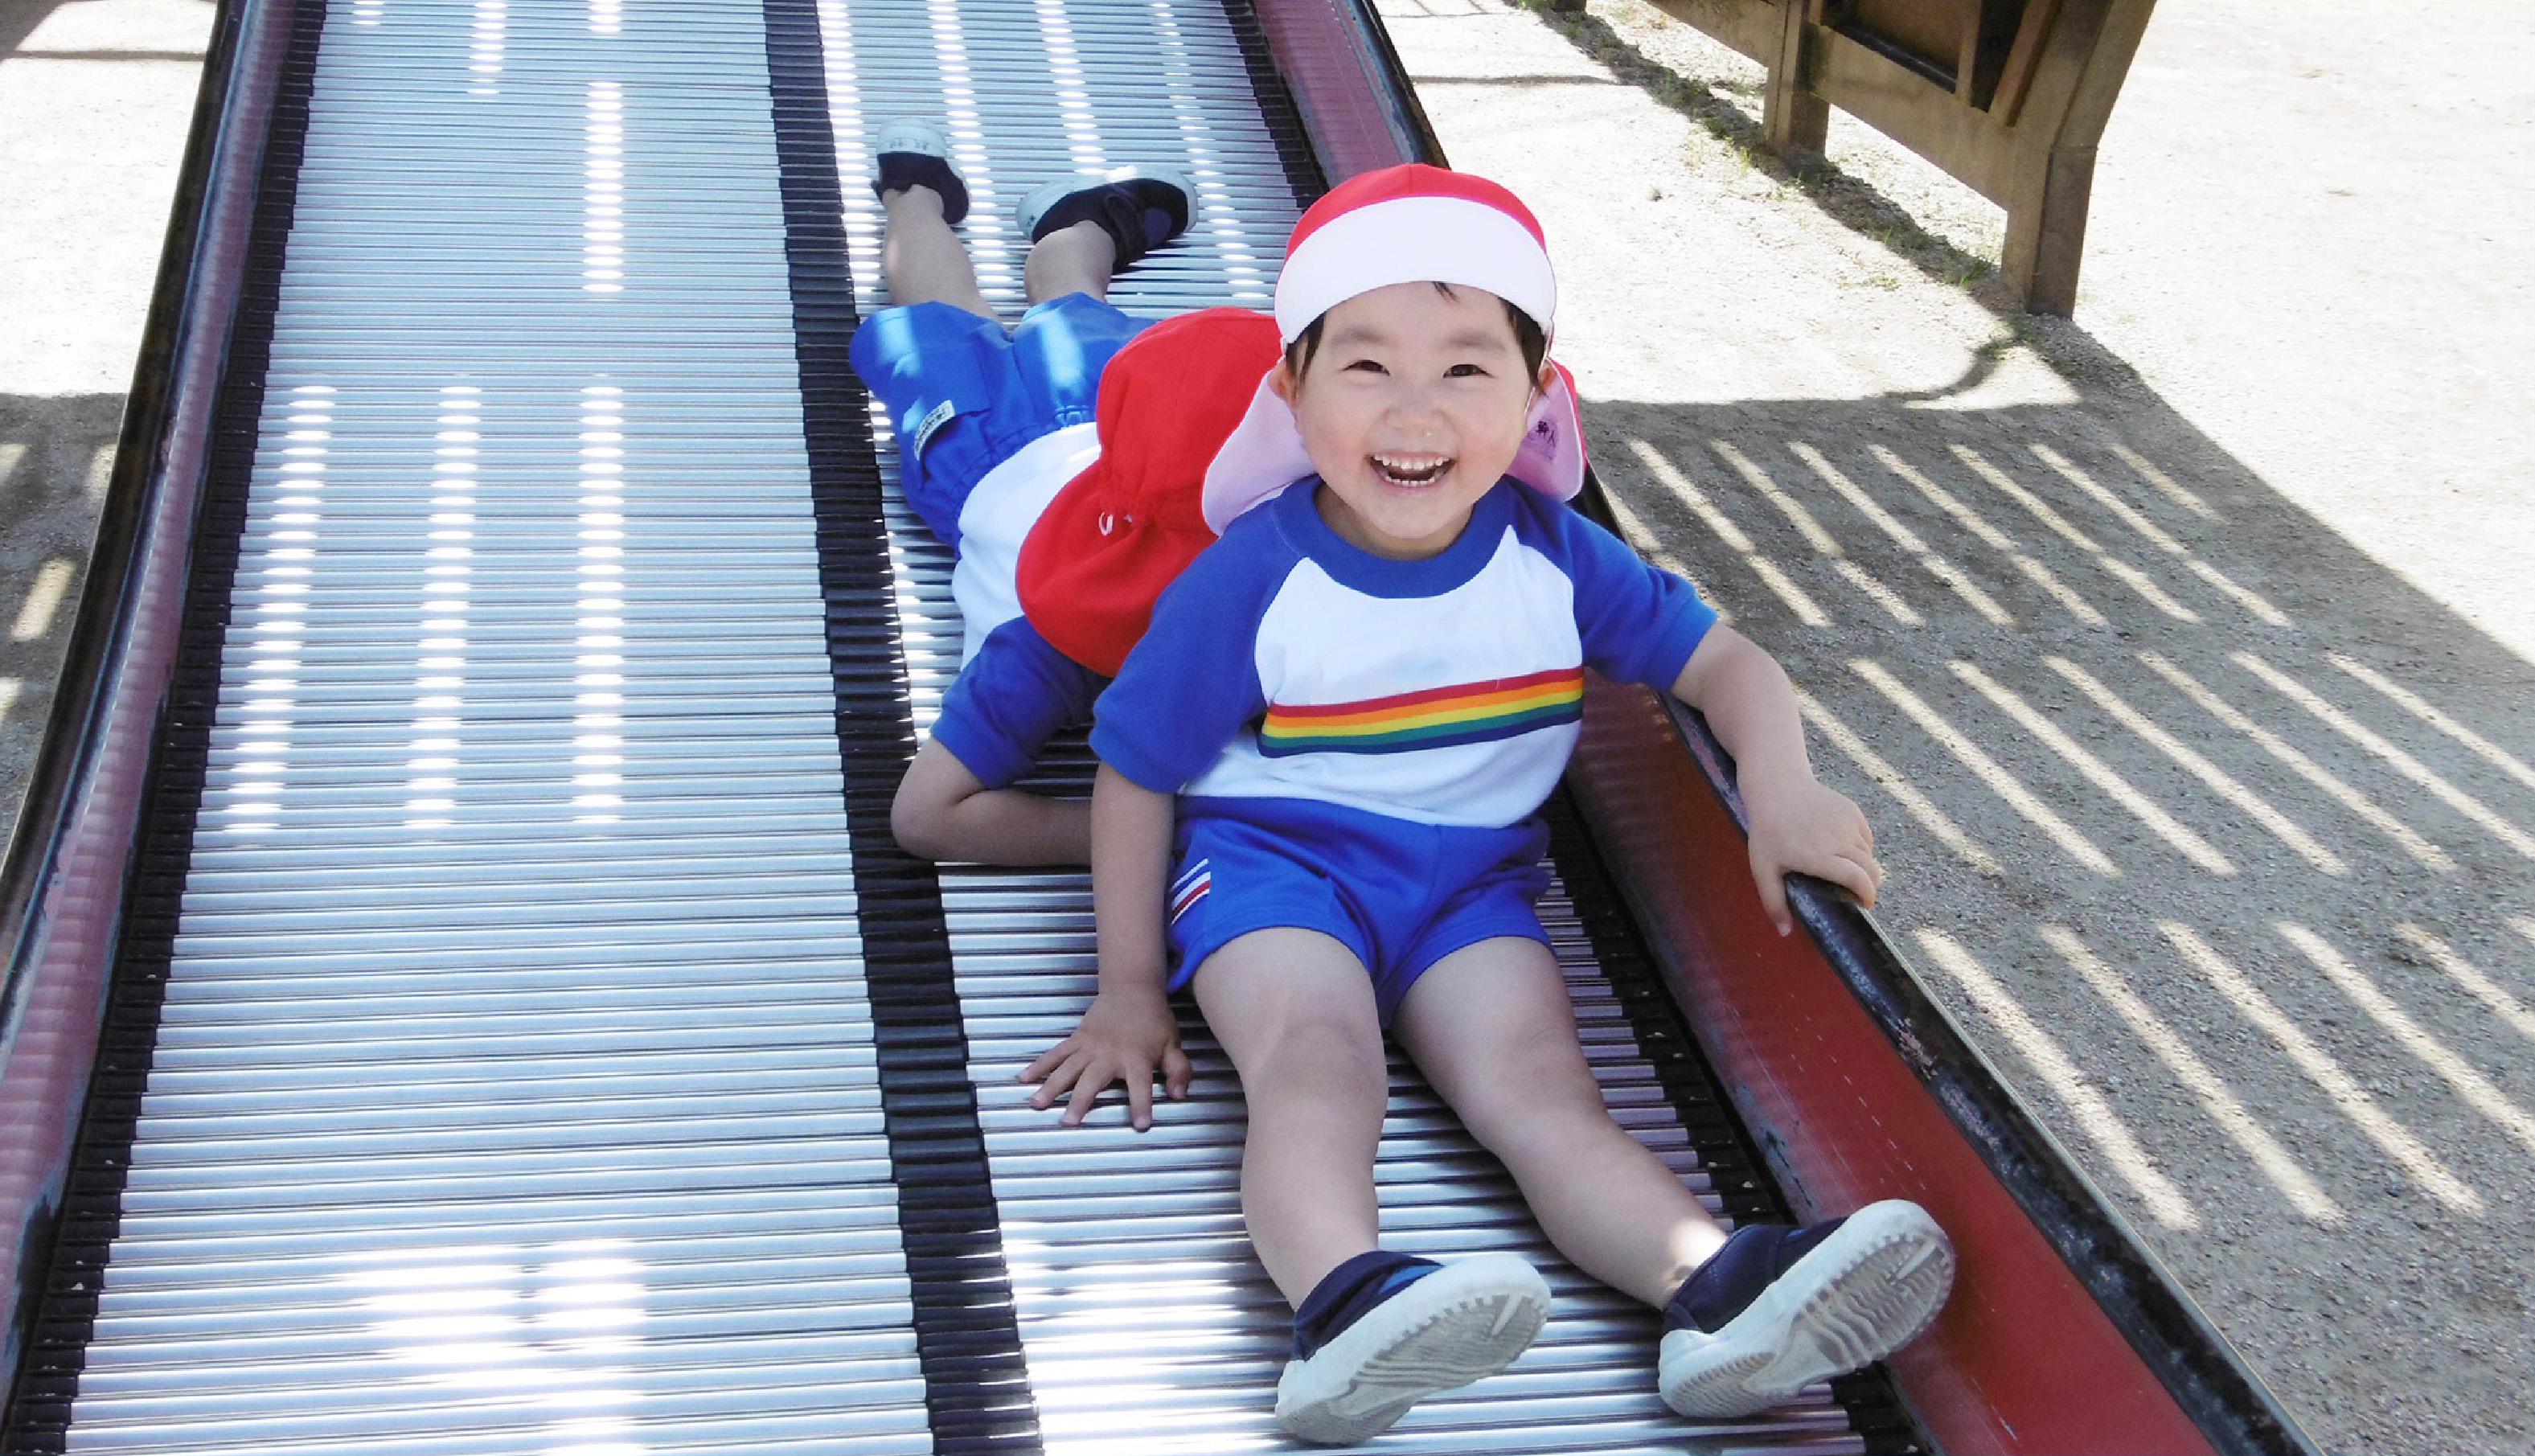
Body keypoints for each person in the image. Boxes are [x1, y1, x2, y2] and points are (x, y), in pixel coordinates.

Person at [1018, 164, 1956, 1444]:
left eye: (1466, 369)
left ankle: (1716, 1286)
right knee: (1316, 1061)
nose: (1415, 412)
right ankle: (1343, 1301)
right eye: (1365, 368)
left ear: (1533, 399)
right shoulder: (1255, 577)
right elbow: (1137, 767)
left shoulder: (1551, 553)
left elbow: (1721, 661)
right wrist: (1127, 984)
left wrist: (1779, 787)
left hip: (1468, 886)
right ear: (1290, 390)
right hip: (1271, 866)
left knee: (1541, 1085)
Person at [853, 117, 1241, 865]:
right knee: (973, 308)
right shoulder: (1044, 643)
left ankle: (994, 207)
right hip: (1020, 444)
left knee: (1041, 306)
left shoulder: (1250, 582)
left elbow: (929, 815)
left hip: (1105, 428)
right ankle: (917, 193)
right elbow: (925, 817)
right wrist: (1163, 835)